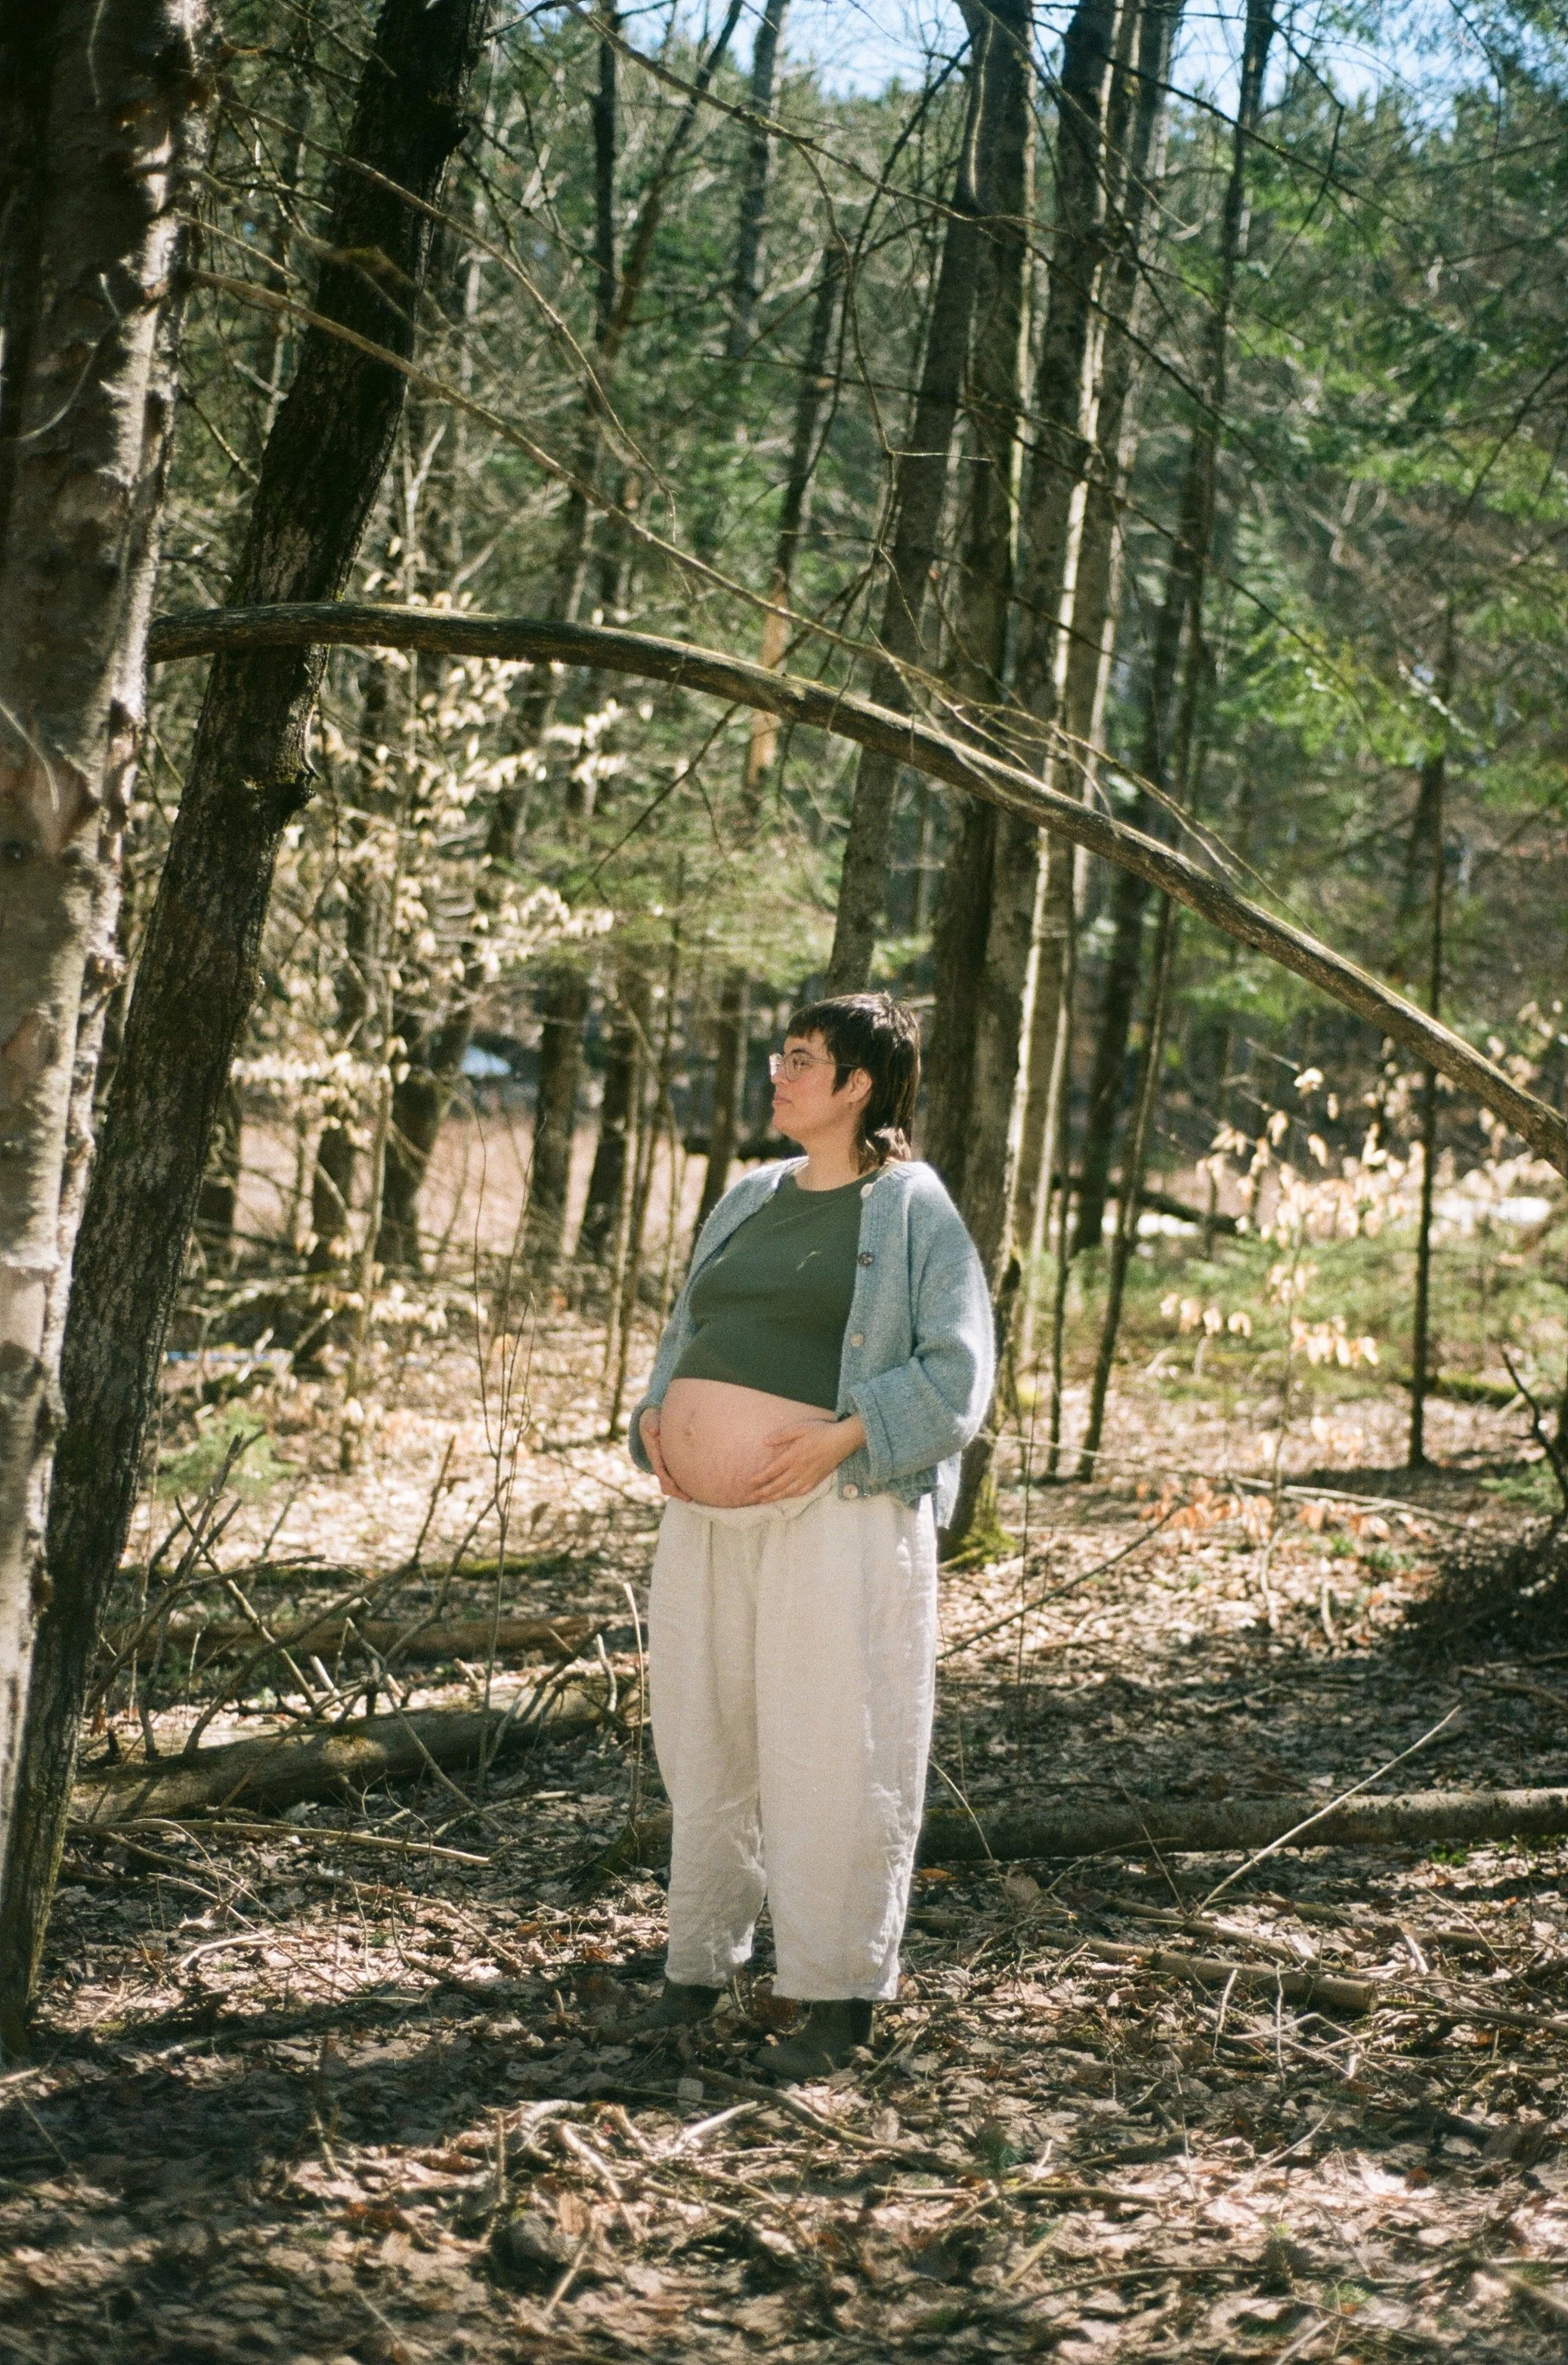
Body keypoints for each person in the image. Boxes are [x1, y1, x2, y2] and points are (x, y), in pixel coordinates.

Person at [628, 991, 994, 2079]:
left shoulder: (912, 1207)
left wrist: (844, 1438)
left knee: (837, 1743)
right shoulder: (747, 1194)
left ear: (857, 1087)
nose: (777, 1075)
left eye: (801, 1059)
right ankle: (697, 1967)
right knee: (705, 1733)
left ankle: (837, 1998)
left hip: (835, 1517)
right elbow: (690, 1325)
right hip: (706, 1518)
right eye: (779, 1055)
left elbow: (957, 1373)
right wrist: (659, 1415)